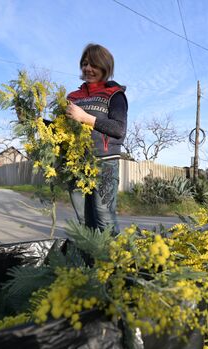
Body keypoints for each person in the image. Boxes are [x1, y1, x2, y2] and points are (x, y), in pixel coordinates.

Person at [65, 43, 128, 234]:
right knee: (84, 219)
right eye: (85, 64)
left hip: (105, 163)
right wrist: (33, 120)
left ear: (105, 67)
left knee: (104, 217)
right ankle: (92, 261)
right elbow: (62, 128)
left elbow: (118, 129)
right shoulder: (73, 96)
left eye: (94, 64)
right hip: (77, 164)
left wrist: (84, 117)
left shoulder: (115, 95)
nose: (88, 69)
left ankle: (114, 262)